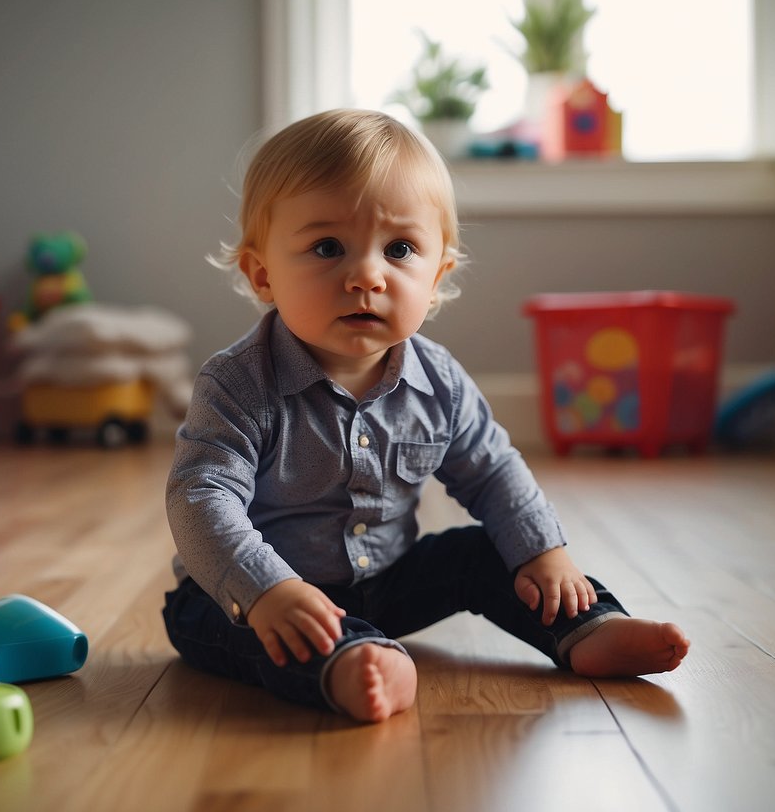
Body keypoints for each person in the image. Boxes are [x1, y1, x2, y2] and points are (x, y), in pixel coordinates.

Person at [163, 108, 689, 723]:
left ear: (435, 277)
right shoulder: (239, 384)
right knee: (260, 632)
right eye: (327, 248)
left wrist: (544, 553)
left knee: (484, 552)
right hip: (245, 597)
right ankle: (346, 664)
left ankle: (587, 626)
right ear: (263, 274)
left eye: (400, 249)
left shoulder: (438, 382)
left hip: (388, 580)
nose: (366, 275)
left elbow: (492, 473)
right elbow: (201, 498)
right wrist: (266, 590)